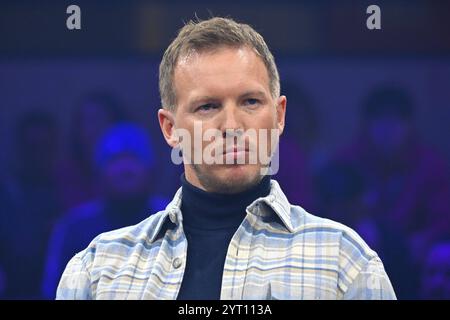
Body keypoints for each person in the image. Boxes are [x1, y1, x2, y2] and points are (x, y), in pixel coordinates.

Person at [57, 17, 395, 300]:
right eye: (208, 106)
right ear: (170, 128)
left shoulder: (345, 263)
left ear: (279, 116)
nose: (232, 126)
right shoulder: (98, 271)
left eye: (250, 102)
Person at [42, 123, 169, 298]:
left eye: (133, 158)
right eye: (115, 160)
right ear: (99, 172)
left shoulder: (174, 218)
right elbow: (55, 290)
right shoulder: (74, 227)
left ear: (152, 170)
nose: (125, 169)